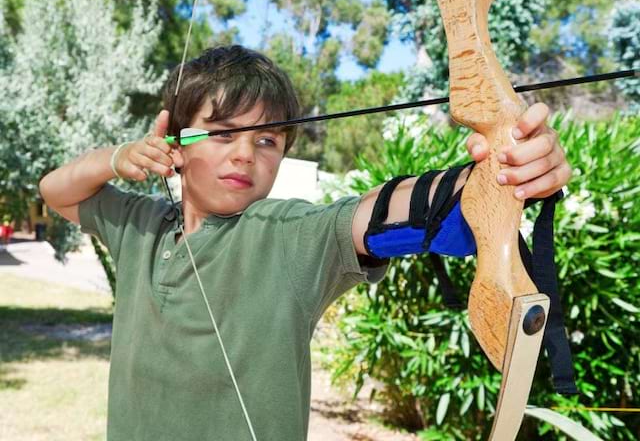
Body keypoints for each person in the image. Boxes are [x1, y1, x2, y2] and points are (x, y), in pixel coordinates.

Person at [38, 46, 572, 441]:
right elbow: (55, 190)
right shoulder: (140, 226)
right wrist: (114, 159)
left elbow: (388, 214)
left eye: (267, 139)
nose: (246, 153)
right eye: (223, 133)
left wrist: (501, 173)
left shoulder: (288, 234)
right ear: (174, 143)